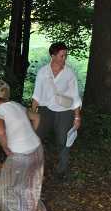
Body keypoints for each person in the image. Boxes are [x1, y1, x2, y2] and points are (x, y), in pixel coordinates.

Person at [0, 79, 47, 211]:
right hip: (37, 150)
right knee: (29, 186)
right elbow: (37, 117)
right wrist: (29, 136)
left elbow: (1, 132)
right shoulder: (17, 105)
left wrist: (6, 149)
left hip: (21, 156)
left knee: (5, 188)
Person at [30, 42, 82, 183]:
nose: (64, 58)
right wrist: (32, 113)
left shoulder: (69, 74)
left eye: (65, 55)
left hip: (65, 111)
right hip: (45, 110)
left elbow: (75, 97)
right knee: (35, 138)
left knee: (63, 141)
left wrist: (77, 117)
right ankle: (32, 168)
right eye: (61, 56)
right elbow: (36, 95)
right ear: (53, 56)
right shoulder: (43, 72)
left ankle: (61, 172)